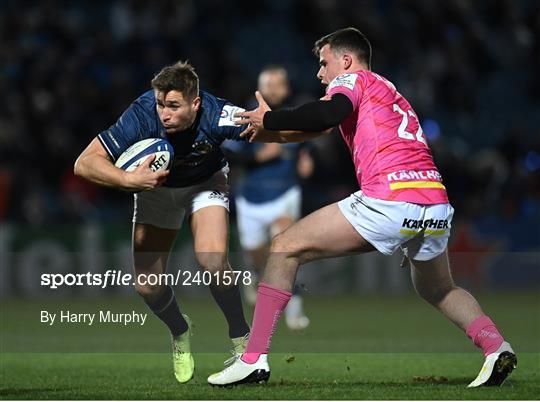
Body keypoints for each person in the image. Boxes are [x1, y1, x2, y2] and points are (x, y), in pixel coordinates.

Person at [207, 28, 517, 387]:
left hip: (390, 197)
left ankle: (252, 359)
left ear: (346, 60)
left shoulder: (353, 80)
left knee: (284, 248)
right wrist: (262, 128)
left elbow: (326, 114)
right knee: (438, 288)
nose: (319, 73)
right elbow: (316, 127)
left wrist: (272, 119)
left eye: (324, 64)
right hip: (434, 203)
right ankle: (496, 346)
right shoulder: (387, 91)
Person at [74, 61, 251, 383]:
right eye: (160, 104)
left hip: (205, 183)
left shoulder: (217, 113)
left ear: (195, 103)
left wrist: (315, 124)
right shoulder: (141, 115)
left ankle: (242, 342)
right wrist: (128, 180)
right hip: (154, 189)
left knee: (213, 260)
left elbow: (271, 130)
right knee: (147, 286)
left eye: (173, 106)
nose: (164, 113)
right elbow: (84, 163)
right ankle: (180, 330)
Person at [223, 65, 311, 330]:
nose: (274, 89)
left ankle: (294, 310)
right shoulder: (245, 116)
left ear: (286, 88)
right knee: (258, 256)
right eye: (268, 84)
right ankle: (254, 272)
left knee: (285, 248)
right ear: (259, 89)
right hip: (251, 195)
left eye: (278, 84)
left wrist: (307, 157)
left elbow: (306, 142)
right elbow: (229, 153)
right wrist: (258, 157)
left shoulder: (296, 114)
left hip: (285, 191)